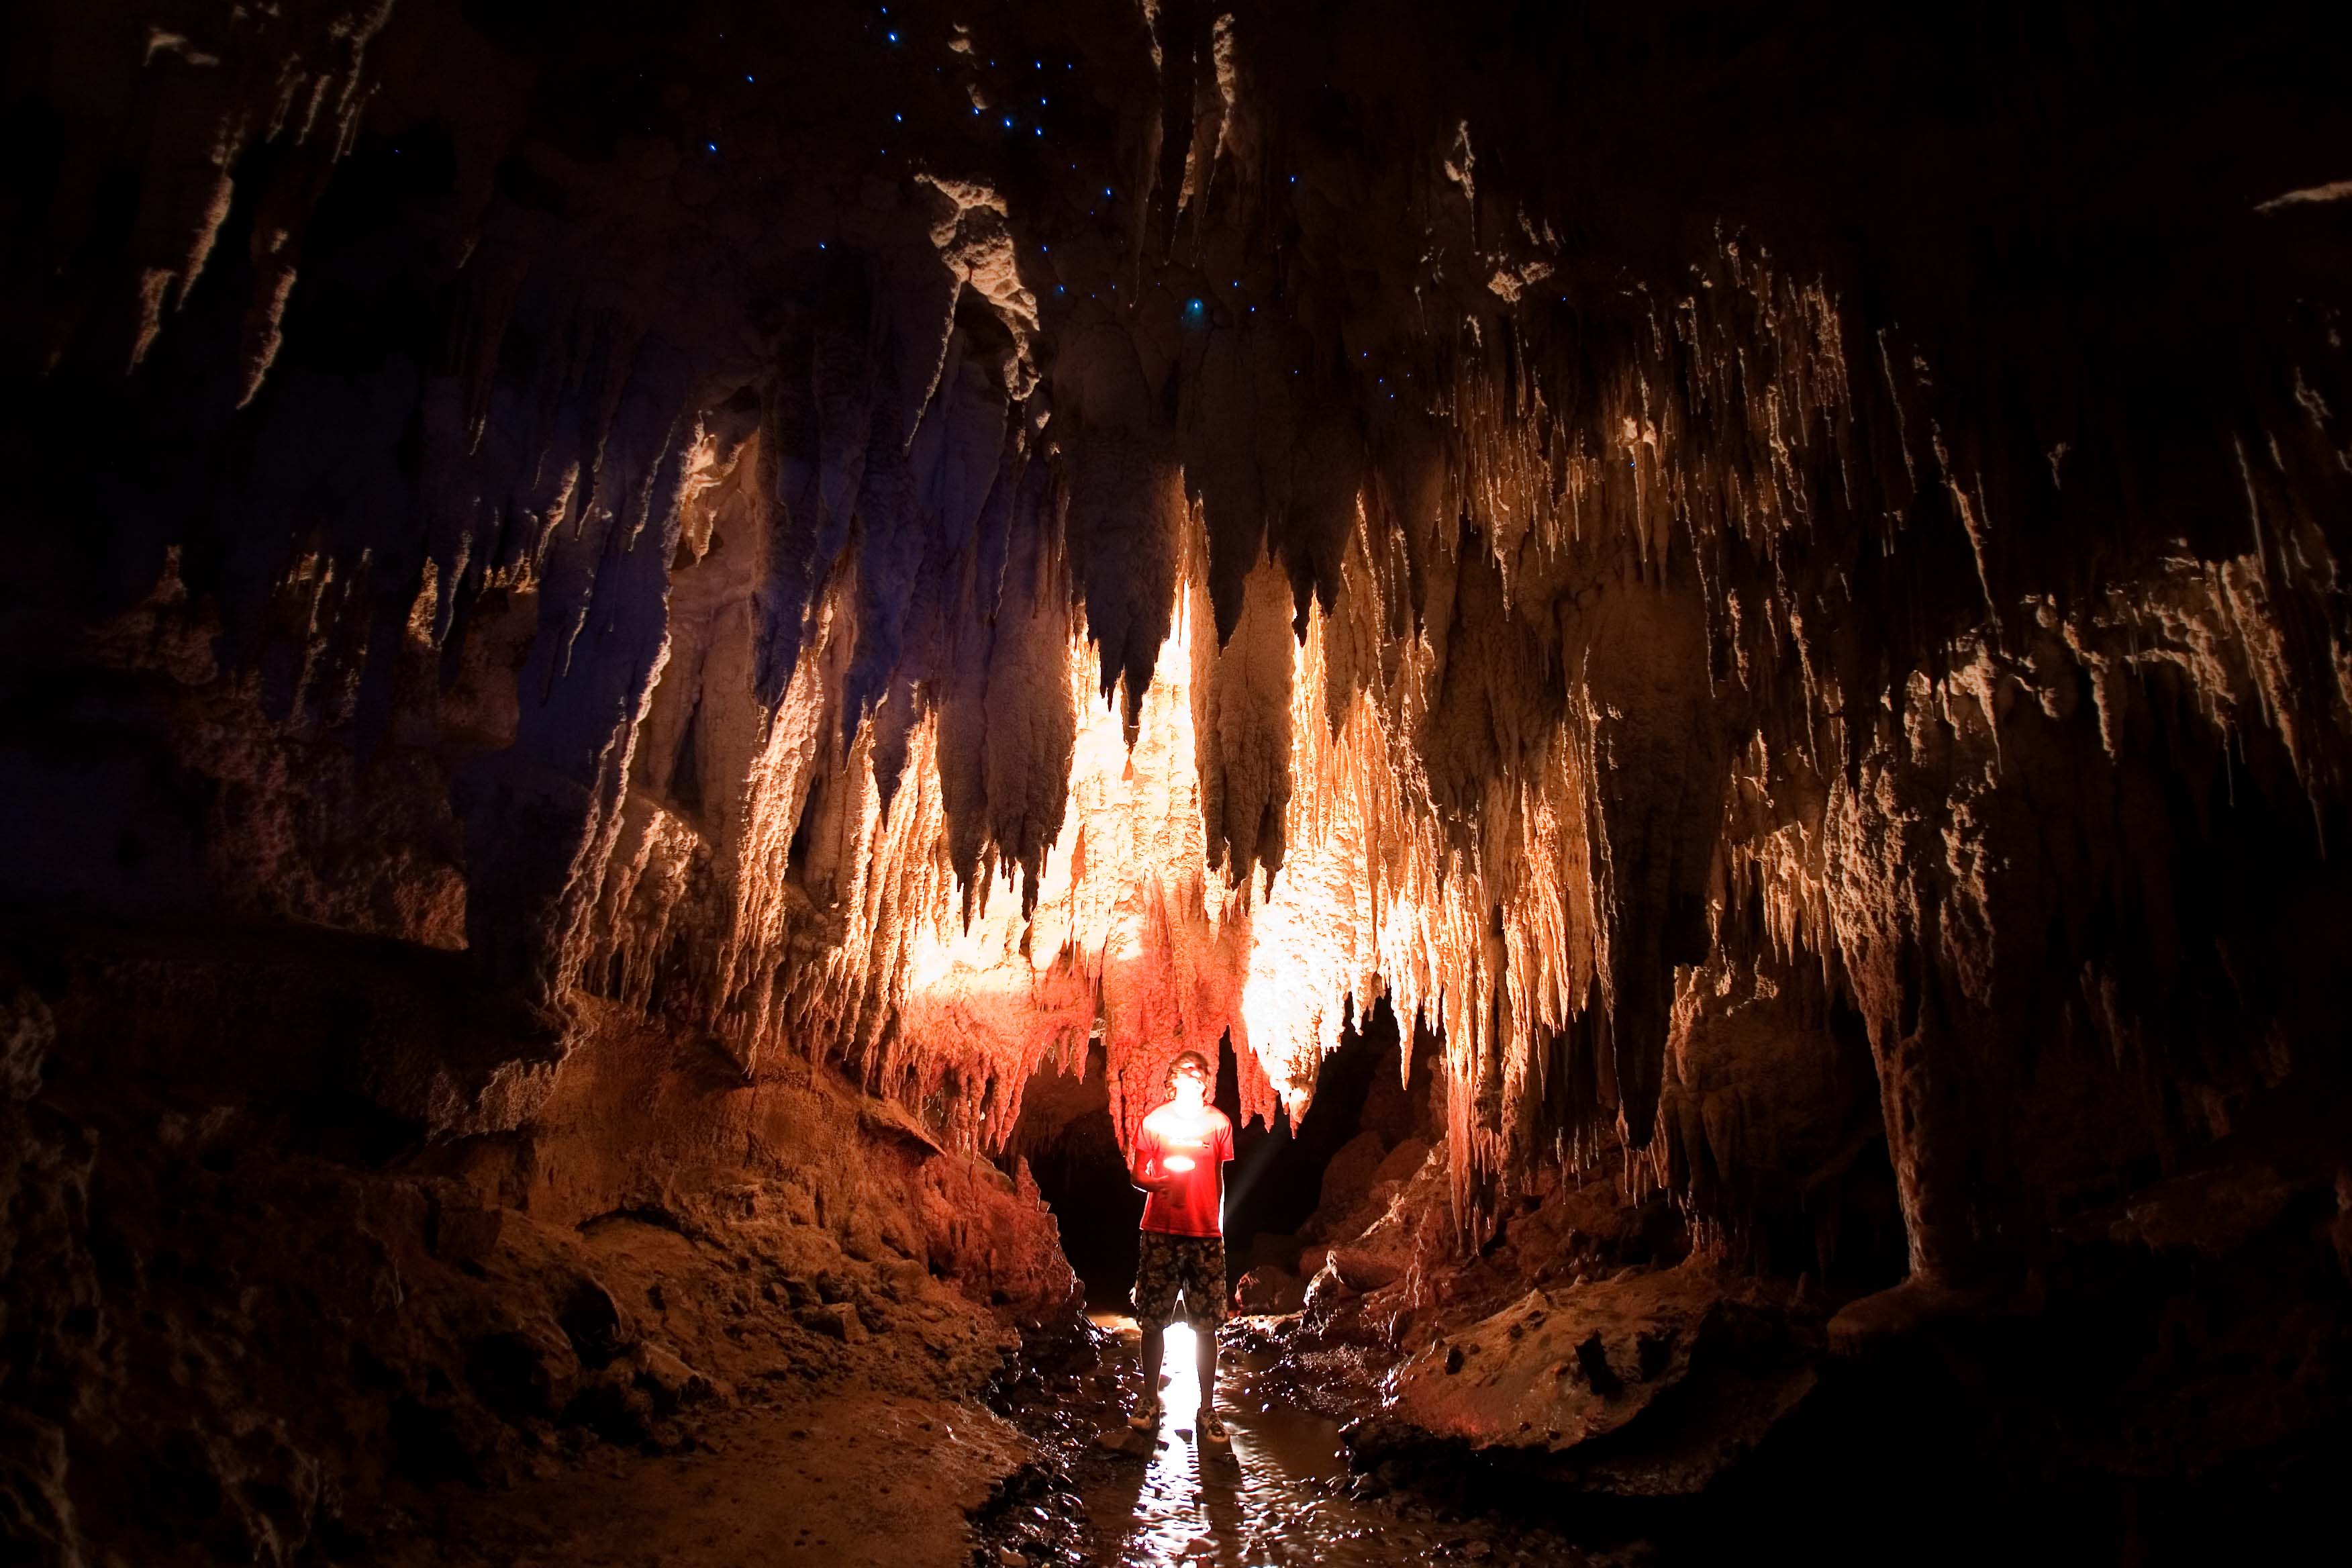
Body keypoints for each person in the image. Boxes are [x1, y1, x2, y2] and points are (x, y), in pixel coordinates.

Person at [1126, 1050, 1236, 1444]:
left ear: (1207, 1079)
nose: (1193, 1076)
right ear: (1173, 1077)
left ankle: (1207, 1408)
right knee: (1153, 1318)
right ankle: (1148, 1399)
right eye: (1185, 1070)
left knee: (1207, 1325)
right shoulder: (1155, 1121)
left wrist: (1217, 1227)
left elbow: (1219, 1179)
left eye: (1199, 1071)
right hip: (1160, 1229)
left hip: (1205, 1234)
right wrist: (1158, 1185)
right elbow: (1139, 1174)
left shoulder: (1218, 1123)